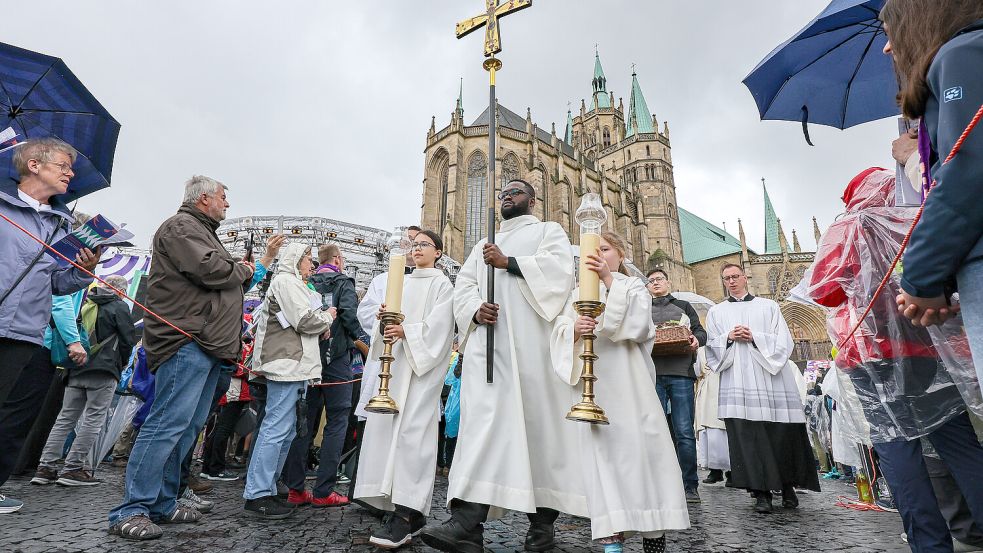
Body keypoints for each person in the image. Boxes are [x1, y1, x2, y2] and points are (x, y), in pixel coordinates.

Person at [419, 179, 586, 553]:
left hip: (533, 353)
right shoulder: (481, 244)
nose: (507, 196)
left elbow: (559, 275)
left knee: (539, 436)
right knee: (483, 432)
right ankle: (466, 526)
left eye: (516, 191)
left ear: (532, 199)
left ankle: (541, 530)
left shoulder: (548, 231)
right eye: (503, 192)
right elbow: (463, 286)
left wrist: (508, 262)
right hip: (489, 353)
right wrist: (475, 309)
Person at [108, 176, 254, 540]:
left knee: (186, 426)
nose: (227, 204)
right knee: (165, 424)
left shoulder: (201, 229)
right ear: (204, 198)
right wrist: (245, 269)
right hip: (186, 340)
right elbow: (213, 271)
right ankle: (132, 508)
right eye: (223, 197)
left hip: (207, 344)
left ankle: (161, 502)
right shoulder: (181, 226)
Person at [550, 232, 690, 553]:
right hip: (596, 388)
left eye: (605, 249)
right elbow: (557, 334)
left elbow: (638, 325)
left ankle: (652, 531)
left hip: (630, 386)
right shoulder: (575, 293)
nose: (598, 254)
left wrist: (608, 280)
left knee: (642, 454)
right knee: (602, 457)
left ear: (621, 255)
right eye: (594, 250)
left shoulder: (631, 287)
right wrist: (573, 330)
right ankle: (611, 534)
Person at [885, 1, 983, 388]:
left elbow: (967, 173)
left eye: (889, 33)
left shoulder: (962, 53)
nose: (887, 49)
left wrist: (921, 278)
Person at [0, 138, 99, 514]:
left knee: (13, 416)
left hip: (26, 332)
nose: (70, 173)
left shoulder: (61, 225)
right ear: (34, 165)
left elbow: (60, 283)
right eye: (63, 165)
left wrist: (84, 270)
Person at [355, 230, 455, 549]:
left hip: (420, 372)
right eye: (414, 245)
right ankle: (393, 506)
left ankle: (407, 510)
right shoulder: (403, 282)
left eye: (424, 245)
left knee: (413, 436)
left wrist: (407, 331)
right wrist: (383, 322)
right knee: (387, 432)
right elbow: (381, 328)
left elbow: (440, 330)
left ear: (438, 252)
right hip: (396, 368)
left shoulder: (442, 284)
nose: (416, 249)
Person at [705, 264, 820, 513]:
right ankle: (760, 493)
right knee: (748, 437)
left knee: (781, 433)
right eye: (727, 278)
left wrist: (755, 337)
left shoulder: (769, 307)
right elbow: (711, 346)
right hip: (738, 380)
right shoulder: (716, 312)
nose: (732, 281)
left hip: (771, 380)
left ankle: (788, 488)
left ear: (745, 278)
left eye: (736, 276)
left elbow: (783, 342)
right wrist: (728, 337)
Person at [243, 242, 336, 518]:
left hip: (295, 366)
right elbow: (304, 320)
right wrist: (328, 317)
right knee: (275, 428)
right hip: (286, 365)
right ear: (296, 260)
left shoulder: (292, 283)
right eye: (308, 259)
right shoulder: (287, 282)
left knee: (285, 430)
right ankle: (258, 493)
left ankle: (268, 488)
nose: (312, 265)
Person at [30, 275, 135, 487]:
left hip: (76, 368)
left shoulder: (87, 303)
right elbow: (127, 341)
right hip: (103, 370)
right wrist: (122, 364)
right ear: (121, 291)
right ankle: (73, 469)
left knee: (65, 418)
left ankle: (45, 467)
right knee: (93, 419)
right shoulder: (119, 307)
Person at [282, 242, 361, 507]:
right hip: (337, 360)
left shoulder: (306, 281)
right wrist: (363, 339)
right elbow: (349, 317)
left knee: (304, 421)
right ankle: (323, 491)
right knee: (337, 420)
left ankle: (295, 488)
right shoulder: (343, 282)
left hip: (309, 359)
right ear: (337, 259)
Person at [645, 269, 707, 502]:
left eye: (659, 279)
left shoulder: (683, 305)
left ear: (668, 282)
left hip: (681, 373)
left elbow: (701, 332)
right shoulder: (642, 308)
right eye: (651, 281)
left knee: (683, 432)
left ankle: (690, 485)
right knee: (656, 431)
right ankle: (661, 483)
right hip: (652, 374)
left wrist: (695, 340)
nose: (655, 283)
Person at [694, 350, 731, 485]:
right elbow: (697, 371)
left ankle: (731, 472)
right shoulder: (702, 350)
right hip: (707, 391)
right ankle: (715, 470)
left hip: (725, 388)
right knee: (709, 432)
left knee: (726, 432)